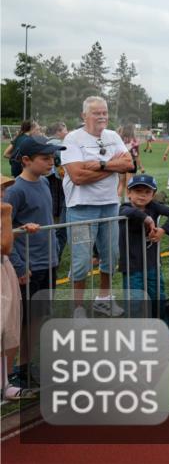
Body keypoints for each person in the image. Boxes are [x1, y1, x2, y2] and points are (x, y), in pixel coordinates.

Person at [62, 97, 133, 318]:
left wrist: (101, 164)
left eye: (105, 112)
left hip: (110, 205)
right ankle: (78, 308)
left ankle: (104, 300)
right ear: (84, 116)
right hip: (82, 208)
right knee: (82, 260)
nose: (102, 116)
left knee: (111, 256)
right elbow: (78, 176)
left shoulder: (112, 136)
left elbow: (129, 164)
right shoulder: (72, 138)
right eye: (96, 113)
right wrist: (114, 166)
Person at [4, 135, 63, 389]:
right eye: (45, 158)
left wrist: (56, 249)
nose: (51, 162)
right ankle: (12, 372)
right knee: (21, 321)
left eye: (52, 158)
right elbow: (6, 230)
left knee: (38, 316)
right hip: (29, 266)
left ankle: (28, 365)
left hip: (48, 261)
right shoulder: (16, 190)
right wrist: (18, 265)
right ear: (26, 160)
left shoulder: (44, 183)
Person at [118, 174, 169, 340]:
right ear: (129, 193)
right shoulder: (124, 208)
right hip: (132, 268)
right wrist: (146, 218)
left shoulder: (153, 206)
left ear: (153, 195)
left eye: (147, 192)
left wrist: (163, 230)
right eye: (137, 191)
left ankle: (164, 332)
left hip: (153, 266)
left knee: (158, 300)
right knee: (136, 303)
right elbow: (127, 211)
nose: (142, 195)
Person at [1, 176, 35, 401]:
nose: (3, 192)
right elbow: (4, 246)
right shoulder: (4, 211)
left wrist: (16, 227)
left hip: (4, 269)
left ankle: (4, 382)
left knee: (6, 328)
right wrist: (6, 215)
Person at [45, 122, 69, 261]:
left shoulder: (47, 141)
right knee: (60, 223)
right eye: (65, 128)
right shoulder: (57, 144)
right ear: (58, 131)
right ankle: (54, 256)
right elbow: (60, 170)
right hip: (57, 183)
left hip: (52, 182)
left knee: (55, 219)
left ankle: (53, 255)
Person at [117, 124, 144, 198]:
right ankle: (127, 203)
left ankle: (118, 203)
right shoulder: (134, 141)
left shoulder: (119, 140)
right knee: (129, 184)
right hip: (130, 163)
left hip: (120, 163)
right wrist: (141, 167)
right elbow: (136, 156)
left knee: (121, 183)